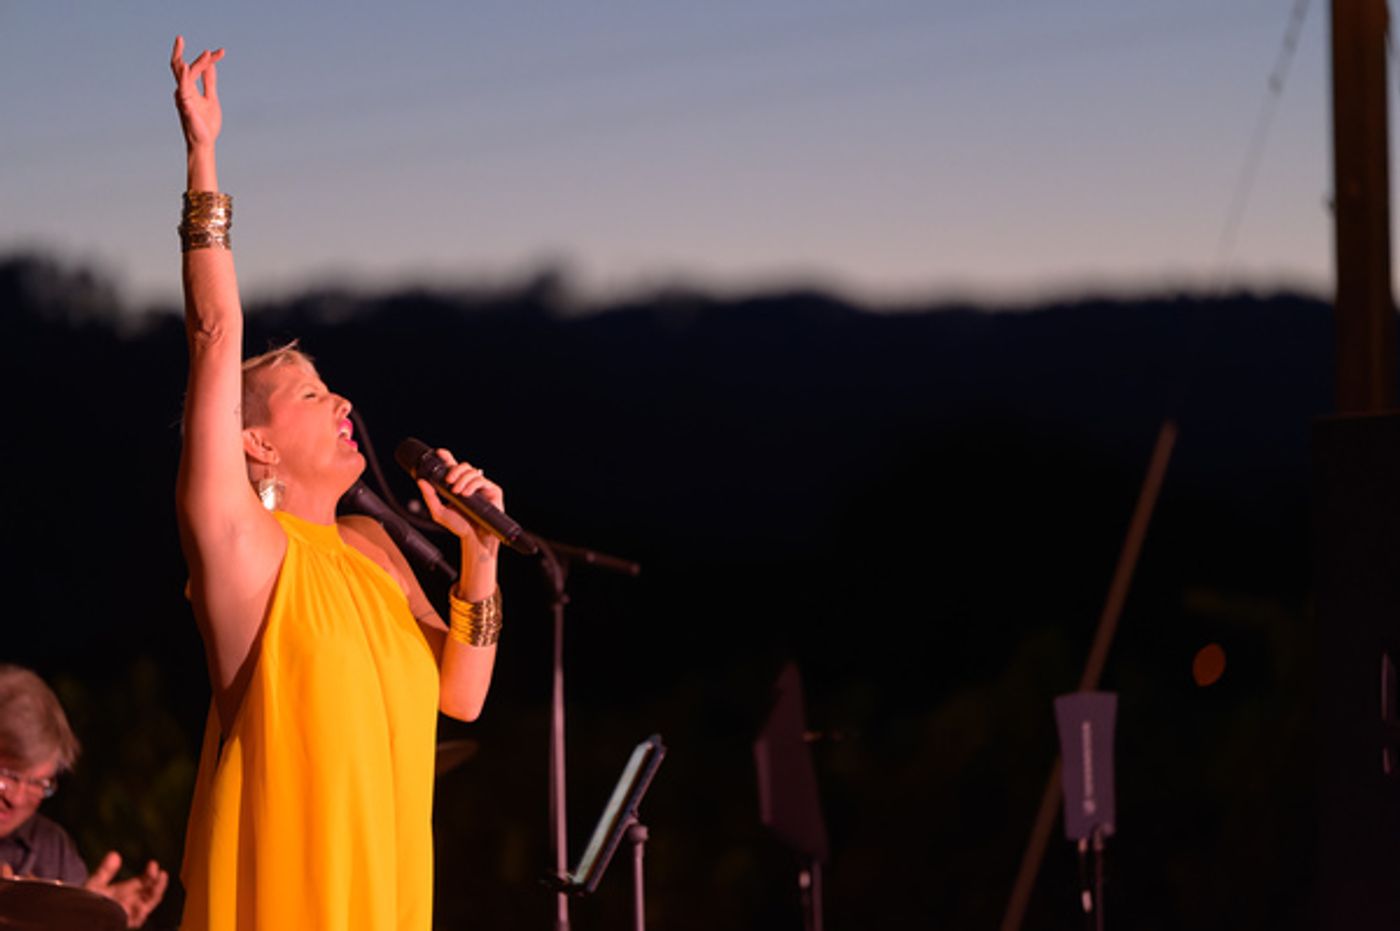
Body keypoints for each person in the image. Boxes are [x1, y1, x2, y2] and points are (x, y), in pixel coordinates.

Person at [169, 36, 505, 931]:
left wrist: (480, 555)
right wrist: (203, 155)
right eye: (310, 393)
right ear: (256, 443)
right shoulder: (243, 545)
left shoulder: (374, 549)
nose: (340, 398)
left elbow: (461, 695)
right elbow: (213, 329)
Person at [0, 664, 169, 927]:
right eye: (9, 776)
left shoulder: (52, 851)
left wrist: (89, 918)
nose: (18, 798)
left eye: (38, 783)